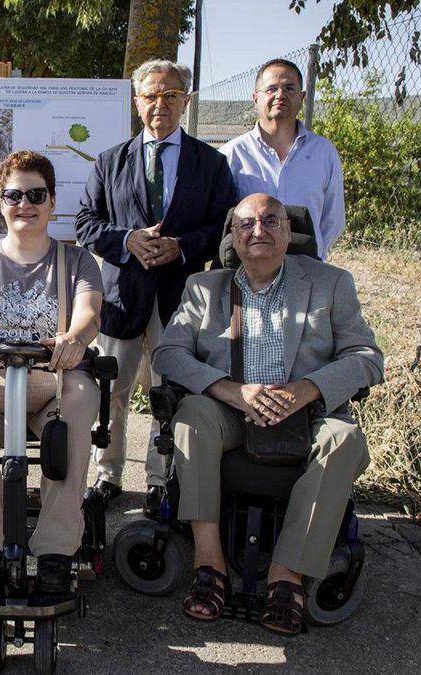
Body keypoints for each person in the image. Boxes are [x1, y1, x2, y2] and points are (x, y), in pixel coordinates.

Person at [150, 193, 383, 636]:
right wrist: (231, 391)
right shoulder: (205, 289)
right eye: (246, 224)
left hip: (307, 413)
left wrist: (306, 390)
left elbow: (367, 357)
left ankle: (287, 575)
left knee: (345, 439)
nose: (259, 231)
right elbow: (168, 354)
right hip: (229, 412)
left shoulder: (330, 283)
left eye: (271, 221)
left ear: (289, 232)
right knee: (192, 413)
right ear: (233, 238)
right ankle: (208, 562)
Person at [76, 59, 237, 516]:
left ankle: (159, 480)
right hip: (122, 297)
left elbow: (222, 227)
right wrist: (128, 240)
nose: (159, 104)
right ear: (136, 102)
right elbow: (87, 224)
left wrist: (181, 248)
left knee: (170, 394)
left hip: (181, 299)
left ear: (185, 102)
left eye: (170, 95)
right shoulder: (110, 161)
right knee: (113, 391)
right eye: (150, 95)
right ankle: (107, 475)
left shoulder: (211, 163)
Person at [0, 151, 102, 600]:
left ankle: (56, 552)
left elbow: (89, 313)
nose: (24, 205)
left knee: (72, 421)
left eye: (36, 194)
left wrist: (74, 337)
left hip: (55, 379)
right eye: (14, 195)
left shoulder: (76, 262)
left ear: (52, 201)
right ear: (1, 202)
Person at [220, 59, 345, 259]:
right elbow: (222, 219)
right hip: (249, 269)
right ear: (255, 98)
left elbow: (333, 219)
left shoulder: (323, 152)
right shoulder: (232, 154)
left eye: (289, 88)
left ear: (302, 97)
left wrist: (311, 252)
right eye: (271, 89)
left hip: (307, 267)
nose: (280, 95)